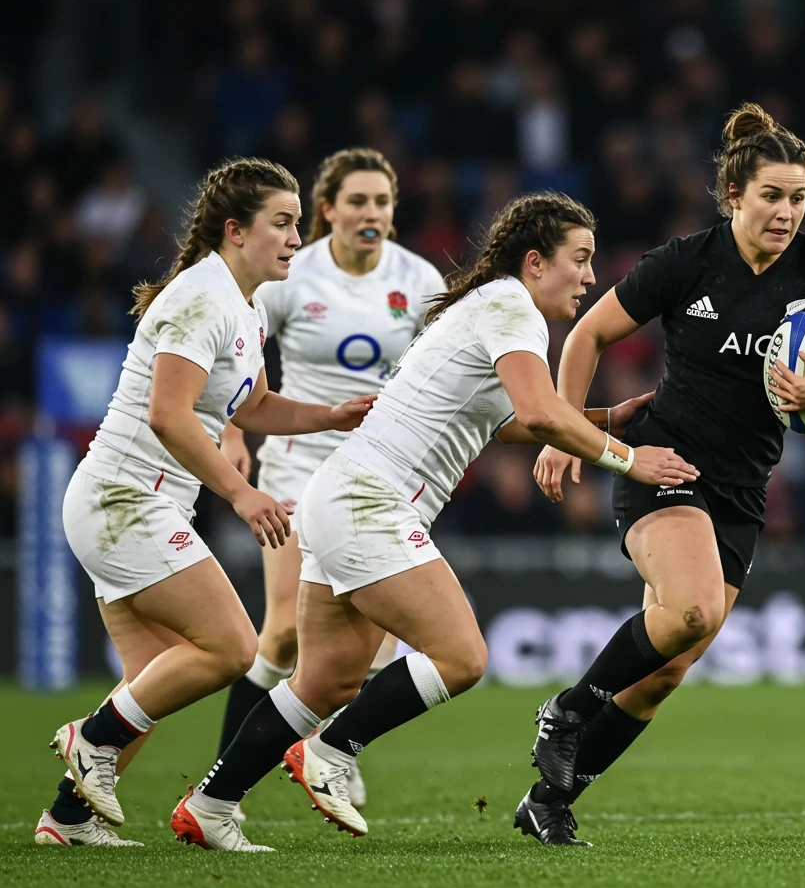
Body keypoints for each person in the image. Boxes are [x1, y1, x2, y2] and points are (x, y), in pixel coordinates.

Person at [170, 191, 698, 852]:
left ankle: (211, 802)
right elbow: (538, 414)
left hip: (340, 496)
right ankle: (332, 750)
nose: (591, 277)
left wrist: (605, 419)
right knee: (462, 656)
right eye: (580, 259)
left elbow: (503, 424)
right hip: (371, 502)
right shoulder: (512, 308)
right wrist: (628, 458)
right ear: (535, 262)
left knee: (324, 679)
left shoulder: (492, 306)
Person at [517, 103, 805, 846]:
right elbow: (589, 333)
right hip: (665, 461)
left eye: (798, 198)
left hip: (742, 489)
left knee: (666, 670)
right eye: (771, 196)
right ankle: (565, 710)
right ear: (734, 195)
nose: (786, 212)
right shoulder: (687, 262)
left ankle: (548, 804)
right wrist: (567, 428)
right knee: (691, 611)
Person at [39, 157, 376, 848]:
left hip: (127, 502)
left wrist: (331, 415)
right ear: (234, 230)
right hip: (126, 500)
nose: (294, 237)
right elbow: (168, 414)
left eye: (295, 224)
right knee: (231, 648)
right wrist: (242, 493)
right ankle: (90, 738)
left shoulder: (239, 305)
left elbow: (250, 405)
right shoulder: (202, 298)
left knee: (149, 680)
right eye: (281, 223)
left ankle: (66, 820)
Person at [216, 148, 446, 817]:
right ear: (327, 210)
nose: (371, 214)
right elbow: (242, 359)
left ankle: (334, 754)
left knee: (371, 648)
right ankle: (224, 785)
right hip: (298, 462)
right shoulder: (294, 275)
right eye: (357, 202)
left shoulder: (419, 279)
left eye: (381, 203)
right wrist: (234, 433)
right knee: (284, 635)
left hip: (383, 472)